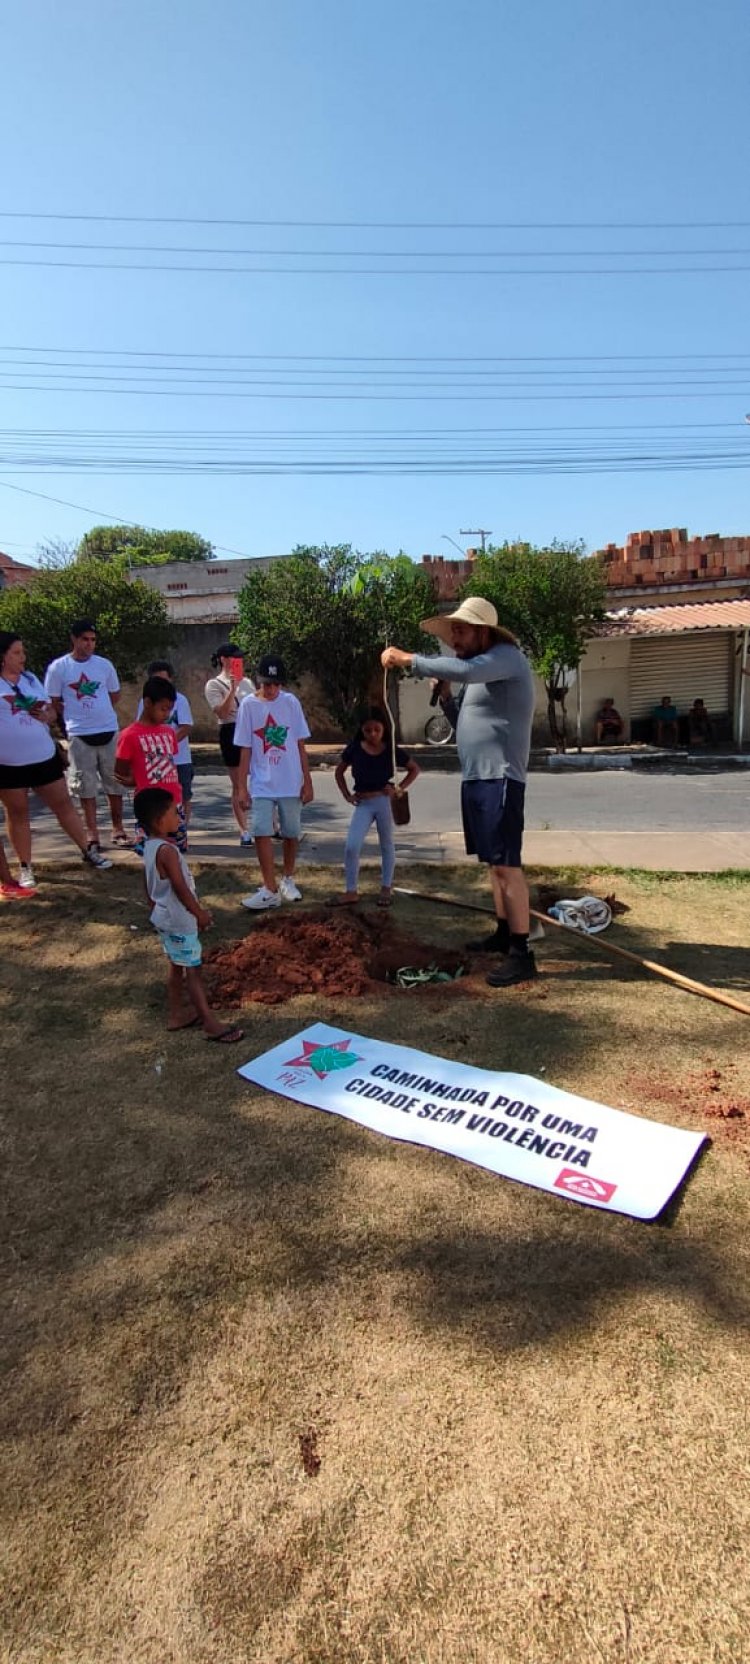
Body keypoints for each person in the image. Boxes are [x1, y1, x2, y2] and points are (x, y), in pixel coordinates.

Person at [382, 596, 537, 988]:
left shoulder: (505, 658)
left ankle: (523, 953)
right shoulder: (480, 674)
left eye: (461, 631)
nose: (454, 639)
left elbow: (465, 670)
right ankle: (504, 933)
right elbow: (463, 723)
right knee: (492, 863)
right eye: (453, 632)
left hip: (500, 777)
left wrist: (408, 660)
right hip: (477, 778)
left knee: (507, 865)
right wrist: (448, 698)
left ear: (483, 632)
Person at [0, 630, 112, 890]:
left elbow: (50, 709)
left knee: (63, 804)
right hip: (8, 763)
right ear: (2, 657)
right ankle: (26, 867)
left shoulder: (29, 679)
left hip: (42, 756)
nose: (22, 657)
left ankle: (88, 850)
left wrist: (48, 715)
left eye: (23, 652)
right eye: (16, 653)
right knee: (17, 812)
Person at [135, 786, 244, 1044]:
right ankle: (210, 1024)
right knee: (193, 971)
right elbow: (180, 887)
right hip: (179, 920)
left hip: (164, 918)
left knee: (176, 965)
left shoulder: (149, 847)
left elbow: (146, 881)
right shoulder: (168, 851)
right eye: (175, 812)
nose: (179, 817)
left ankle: (176, 1015)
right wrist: (199, 914)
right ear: (159, 820)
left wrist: (153, 906)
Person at [236, 653, 314, 910]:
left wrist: (307, 781)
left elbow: (300, 744)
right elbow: (245, 749)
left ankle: (288, 879)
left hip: (290, 781)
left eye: (275, 684)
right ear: (258, 681)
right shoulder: (248, 705)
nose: (270, 690)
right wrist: (241, 787)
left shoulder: (291, 703)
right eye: (266, 684)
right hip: (262, 782)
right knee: (261, 830)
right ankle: (269, 887)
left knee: (291, 833)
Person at [45, 618, 129, 855]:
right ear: (74, 639)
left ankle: (118, 828)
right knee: (85, 786)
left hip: (108, 730)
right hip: (80, 734)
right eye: (84, 639)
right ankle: (92, 833)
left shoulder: (104, 665)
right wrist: (75, 714)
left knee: (114, 783)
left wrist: (98, 712)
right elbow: (53, 701)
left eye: (93, 640)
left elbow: (114, 695)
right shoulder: (59, 668)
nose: (89, 644)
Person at [334, 706, 420, 907]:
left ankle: (386, 887)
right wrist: (347, 795)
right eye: (368, 730)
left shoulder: (390, 749)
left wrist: (398, 788)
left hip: (383, 801)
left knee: (387, 844)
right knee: (352, 846)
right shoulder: (355, 748)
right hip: (363, 803)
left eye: (377, 730)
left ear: (384, 730)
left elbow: (414, 769)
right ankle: (351, 891)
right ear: (362, 730)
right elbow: (339, 772)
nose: (372, 734)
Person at [115, 675, 187, 852]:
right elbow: (119, 771)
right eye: (163, 709)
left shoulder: (169, 732)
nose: (167, 714)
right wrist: (135, 780)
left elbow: (171, 764)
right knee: (151, 851)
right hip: (149, 806)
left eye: (170, 710)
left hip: (174, 801)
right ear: (147, 703)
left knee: (176, 851)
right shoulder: (129, 735)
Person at [204, 644, 256, 845]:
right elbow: (222, 713)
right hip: (231, 730)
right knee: (238, 784)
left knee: (259, 779)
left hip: (250, 730)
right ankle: (244, 829)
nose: (239, 661)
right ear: (223, 659)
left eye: (240, 658)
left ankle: (271, 825)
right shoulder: (214, 685)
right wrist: (232, 687)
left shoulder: (248, 682)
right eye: (235, 658)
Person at [137, 659, 195, 827]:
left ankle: (181, 829)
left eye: (164, 679)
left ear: (171, 679)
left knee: (183, 796)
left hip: (179, 759)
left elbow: (185, 727)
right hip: (154, 761)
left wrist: (165, 745)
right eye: (156, 680)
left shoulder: (180, 700)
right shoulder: (145, 702)